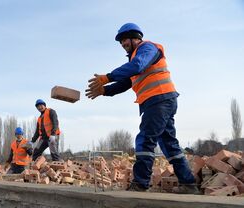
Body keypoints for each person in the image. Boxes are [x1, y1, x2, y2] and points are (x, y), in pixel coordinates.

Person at [85, 23, 199, 194]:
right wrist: (104, 90)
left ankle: (140, 184)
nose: (123, 44)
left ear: (135, 38)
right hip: (160, 101)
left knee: (145, 140)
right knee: (169, 144)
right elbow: (125, 82)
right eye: (121, 42)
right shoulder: (134, 59)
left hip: (159, 99)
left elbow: (138, 65)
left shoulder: (148, 48)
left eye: (125, 40)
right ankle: (189, 184)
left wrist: (107, 77)